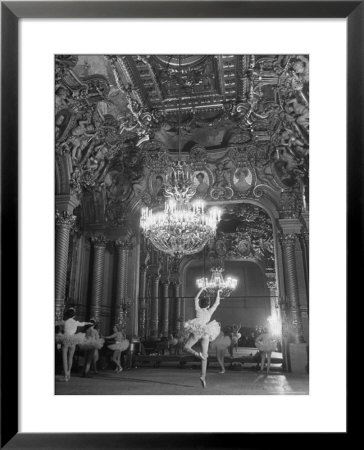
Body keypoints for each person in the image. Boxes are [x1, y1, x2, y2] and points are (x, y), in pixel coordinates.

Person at [183, 287, 222, 388]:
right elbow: (217, 303)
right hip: (206, 332)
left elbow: (195, 298)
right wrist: (218, 292)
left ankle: (197, 354)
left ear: (201, 304)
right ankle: (203, 377)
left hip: (197, 331)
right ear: (208, 305)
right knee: (205, 356)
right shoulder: (209, 312)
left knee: (186, 347)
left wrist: (201, 289)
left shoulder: (198, 310)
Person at [56, 308, 92, 382]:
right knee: (70, 358)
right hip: (73, 340)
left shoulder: (64, 322)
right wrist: (89, 323)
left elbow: (56, 323)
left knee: (64, 359)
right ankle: (69, 373)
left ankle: (66, 376)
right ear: (74, 315)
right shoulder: (76, 322)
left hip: (65, 340)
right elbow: (83, 323)